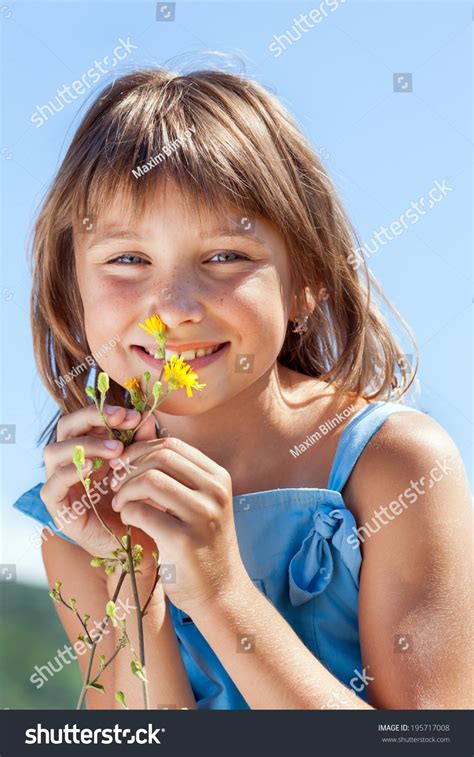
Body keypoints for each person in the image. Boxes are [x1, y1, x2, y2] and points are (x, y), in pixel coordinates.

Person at [13, 68, 472, 711]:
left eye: (225, 256)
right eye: (128, 260)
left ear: (306, 279)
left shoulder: (394, 465)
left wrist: (220, 593)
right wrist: (134, 585)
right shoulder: (79, 519)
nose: (172, 308)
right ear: (73, 291)